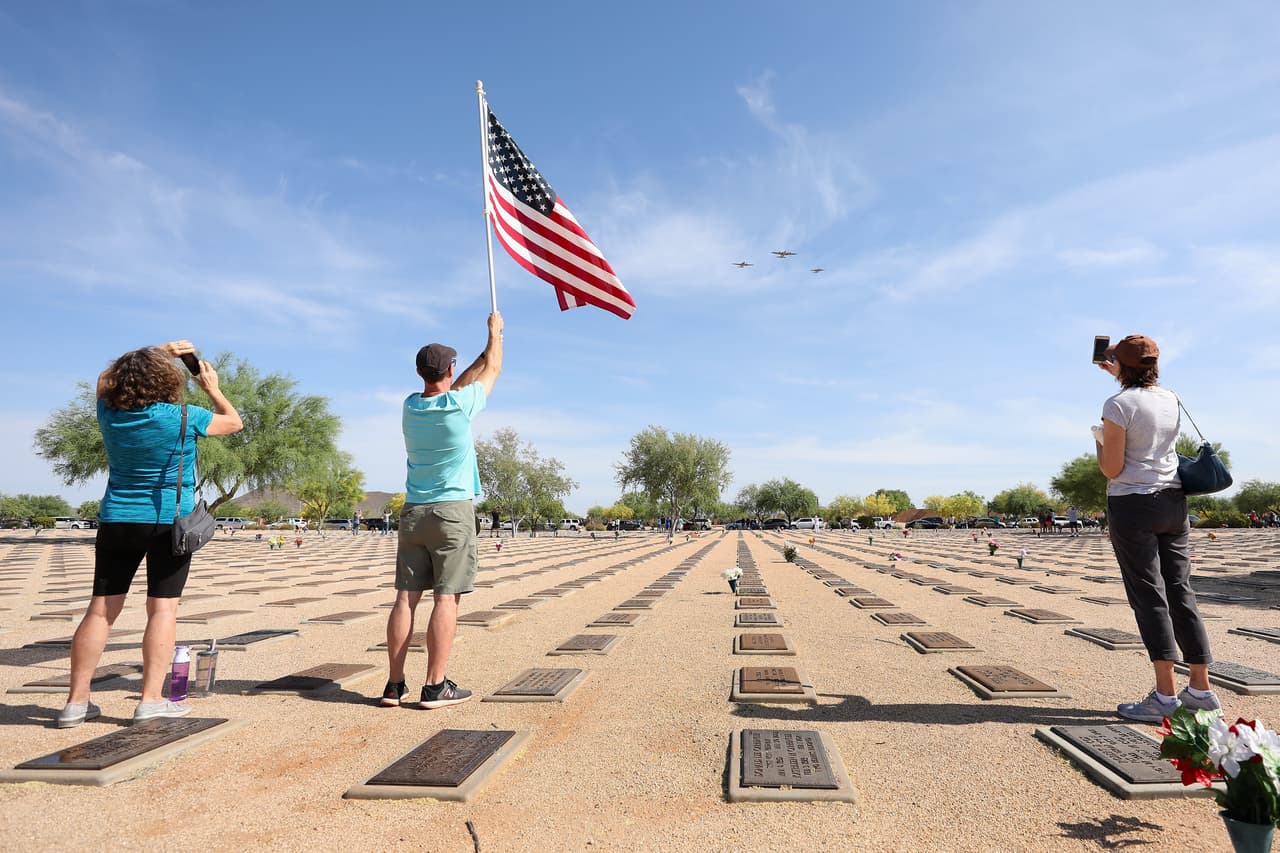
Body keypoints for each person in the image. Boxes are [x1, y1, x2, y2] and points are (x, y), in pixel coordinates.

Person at [59, 341, 242, 727]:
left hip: (117, 520)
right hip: (166, 523)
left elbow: (104, 379)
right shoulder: (184, 416)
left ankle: (76, 703)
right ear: (168, 382)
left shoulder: (109, 412)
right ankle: (150, 701)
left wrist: (156, 351)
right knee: (162, 609)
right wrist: (210, 385)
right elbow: (233, 421)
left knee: (100, 610)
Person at [380, 312, 502, 710]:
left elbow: (458, 384)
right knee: (446, 599)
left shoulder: (410, 407)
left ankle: (395, 686)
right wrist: (494, 336)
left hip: (413, 512)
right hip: (452, 513)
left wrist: (481, 355)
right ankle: (435, 685)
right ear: (449, 369)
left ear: (419, 372)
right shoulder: (461, 407)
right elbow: (494, 370)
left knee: (404, 599)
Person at [1094, 335, 1219, 722]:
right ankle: (1201, 688)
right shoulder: (1170, 398)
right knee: (1181, 590)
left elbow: (1112, 468)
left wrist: (1099, 442)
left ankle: (1164, 697)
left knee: (1149, 596)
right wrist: (1124, 376)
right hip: (1172, 502)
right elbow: (1145, 410)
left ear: (1121, 364)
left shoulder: (1117, 405)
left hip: (1133, 503)